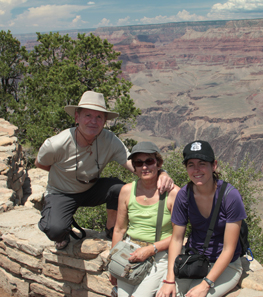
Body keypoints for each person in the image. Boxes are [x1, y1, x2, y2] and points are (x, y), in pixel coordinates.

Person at [35, 91, 173, 249]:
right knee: (55, 230)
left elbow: (135, 165)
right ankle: (61, 230)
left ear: (104, 121)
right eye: (88, 115)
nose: (93, 121)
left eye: (99, 117)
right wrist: (65, 180)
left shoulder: (109, 140)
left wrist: (162, 173)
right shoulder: (57, 144)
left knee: (119, 189)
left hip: (90, 189)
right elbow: (40, 163)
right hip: (61, 192)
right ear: (76, 118)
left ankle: (111, 228)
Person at [153, 140, 246, 297]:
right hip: (194, 260)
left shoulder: (230, 196)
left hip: (226, 265)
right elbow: (177, 239)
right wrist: (170, 279)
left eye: (202, 164)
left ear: (214, 166)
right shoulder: (184, 195)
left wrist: (205, 285)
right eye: (191, 165)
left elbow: (228, 249)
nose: (196, 170)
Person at [110, 141, 180, 297]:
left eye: (149, 161)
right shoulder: (127, 191)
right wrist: (113, 261)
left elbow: (179, 236)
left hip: (159, 255)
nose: (144, 167)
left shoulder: (173, 194)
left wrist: (151, 249)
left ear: (158, 163)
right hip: (129, 253)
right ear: (133, 167)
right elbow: (119, 229)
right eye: (139, 163)